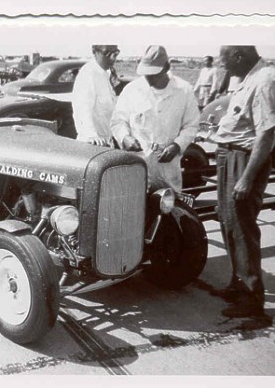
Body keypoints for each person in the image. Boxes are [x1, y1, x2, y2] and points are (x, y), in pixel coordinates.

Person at [210, 46, 275, 320]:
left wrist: (247, 177)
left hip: (244, 160)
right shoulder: (249, 78)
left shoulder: (264, 80)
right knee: (228, 222)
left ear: (239, 56)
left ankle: (252, 300)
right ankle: (239, 284)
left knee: (242, 228)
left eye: (225, 63)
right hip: (230, 156)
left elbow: (267, 134)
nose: (224, 69)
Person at [110, 45, 200, 194]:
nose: (148, 78)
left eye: (153, 74)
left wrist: (177, 146)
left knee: (169, 209)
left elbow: (191, 126)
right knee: (135, 209)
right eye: (146, 73)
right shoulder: (132, 90)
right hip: (137, 164)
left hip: (168, 167)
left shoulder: (184, 91)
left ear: (166, 67)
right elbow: (118, 121)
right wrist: (125, 137)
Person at [72, 45, 120, 147]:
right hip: (92, 143)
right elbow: (82, 108)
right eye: (107, 54)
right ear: (95, 52)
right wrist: (91, 135)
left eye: (115, 53)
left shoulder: (105, 73)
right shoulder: (88, 74)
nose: (112, 58)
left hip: (106, 141)